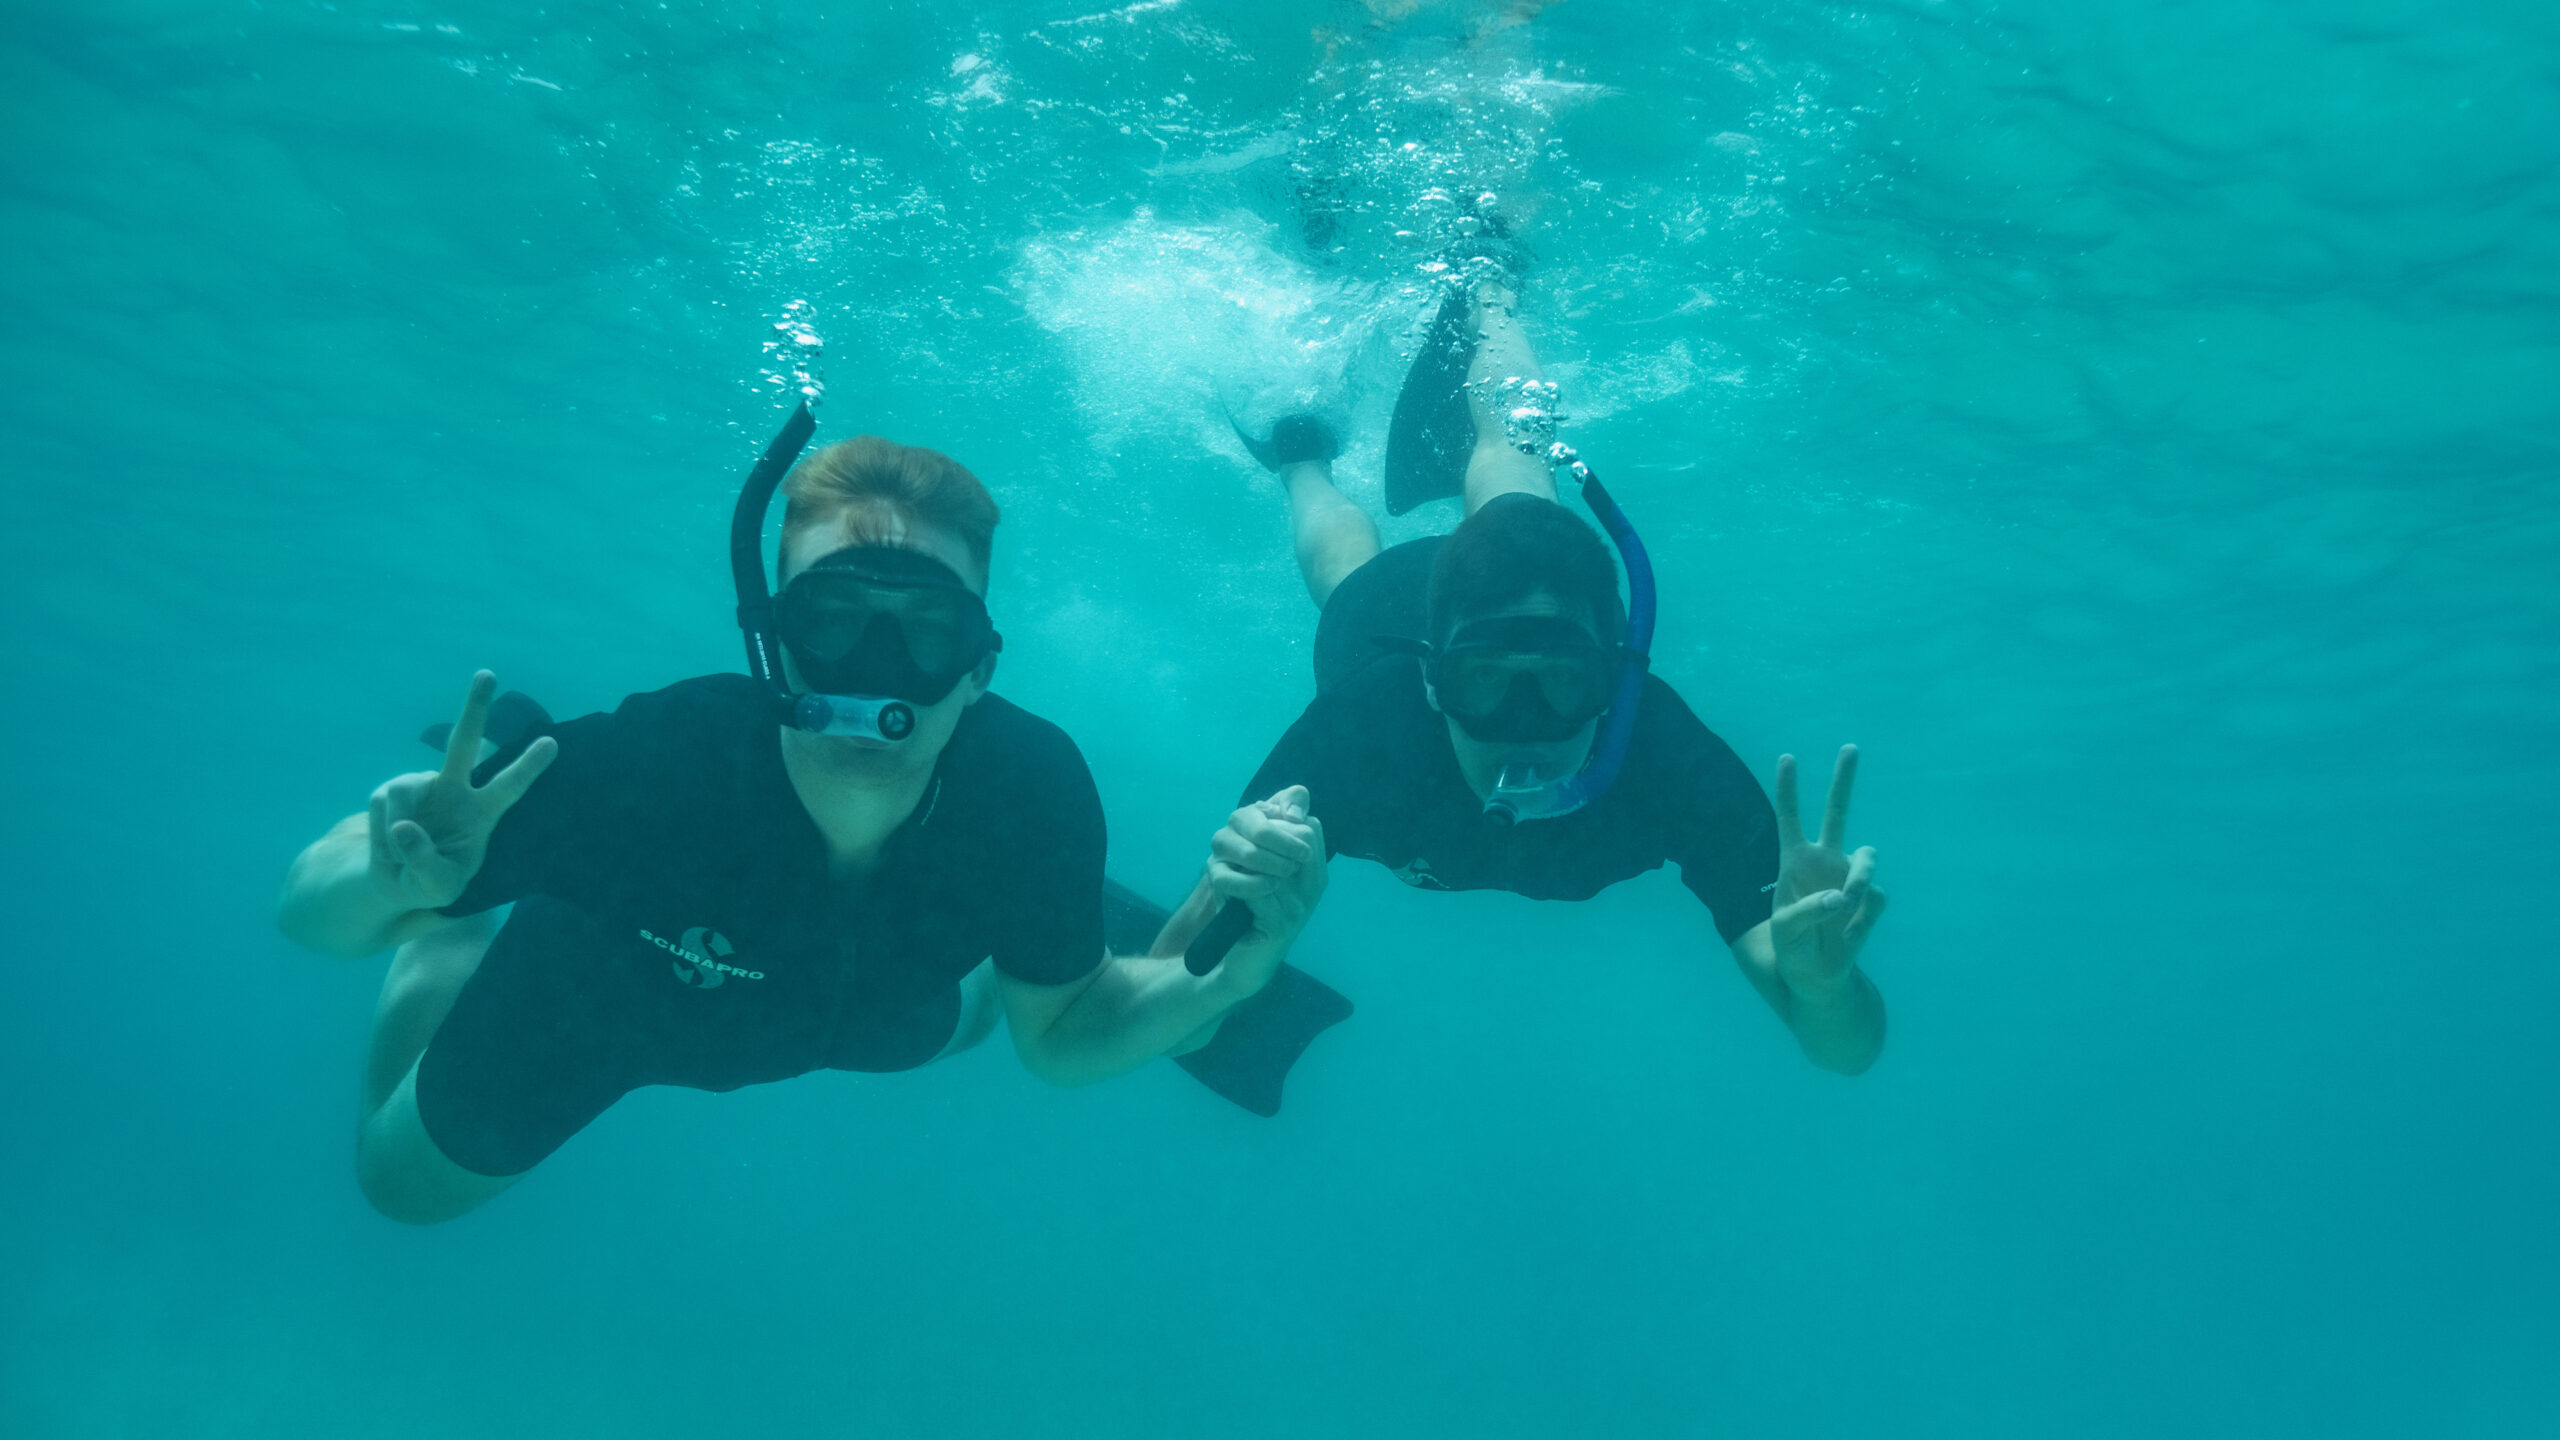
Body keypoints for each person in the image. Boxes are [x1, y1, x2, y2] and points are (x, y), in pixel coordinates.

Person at [277, 421, 1332, 1224]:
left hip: (879, 1008)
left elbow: (1055, 1044)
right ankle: (466, 911)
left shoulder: (1028, 788)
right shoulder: (650, 767)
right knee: (399, 1189)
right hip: (607, 992)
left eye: (927, 630)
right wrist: (387, 884)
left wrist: (1218, 982)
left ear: (980, 668)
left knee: (986, 1010)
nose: (879, 673)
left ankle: (1034, 929)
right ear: (774, 646)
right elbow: (307, 918)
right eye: (831, 621)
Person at [1226, 244, 1890, 1074]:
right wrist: (1236, 906)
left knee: (1514, 496)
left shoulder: (1669, 758)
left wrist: (1826, 988)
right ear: (1433, 682)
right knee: (1355, 576)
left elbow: (1844, 1050)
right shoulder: (1366, 726)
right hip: (1389, 616)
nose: (1525, 725)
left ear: (1612, 681)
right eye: (1484, 684)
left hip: (1481, 606)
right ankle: (1302, 458)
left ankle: (1491, 288)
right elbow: (1202, 943)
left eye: (1564, 681)